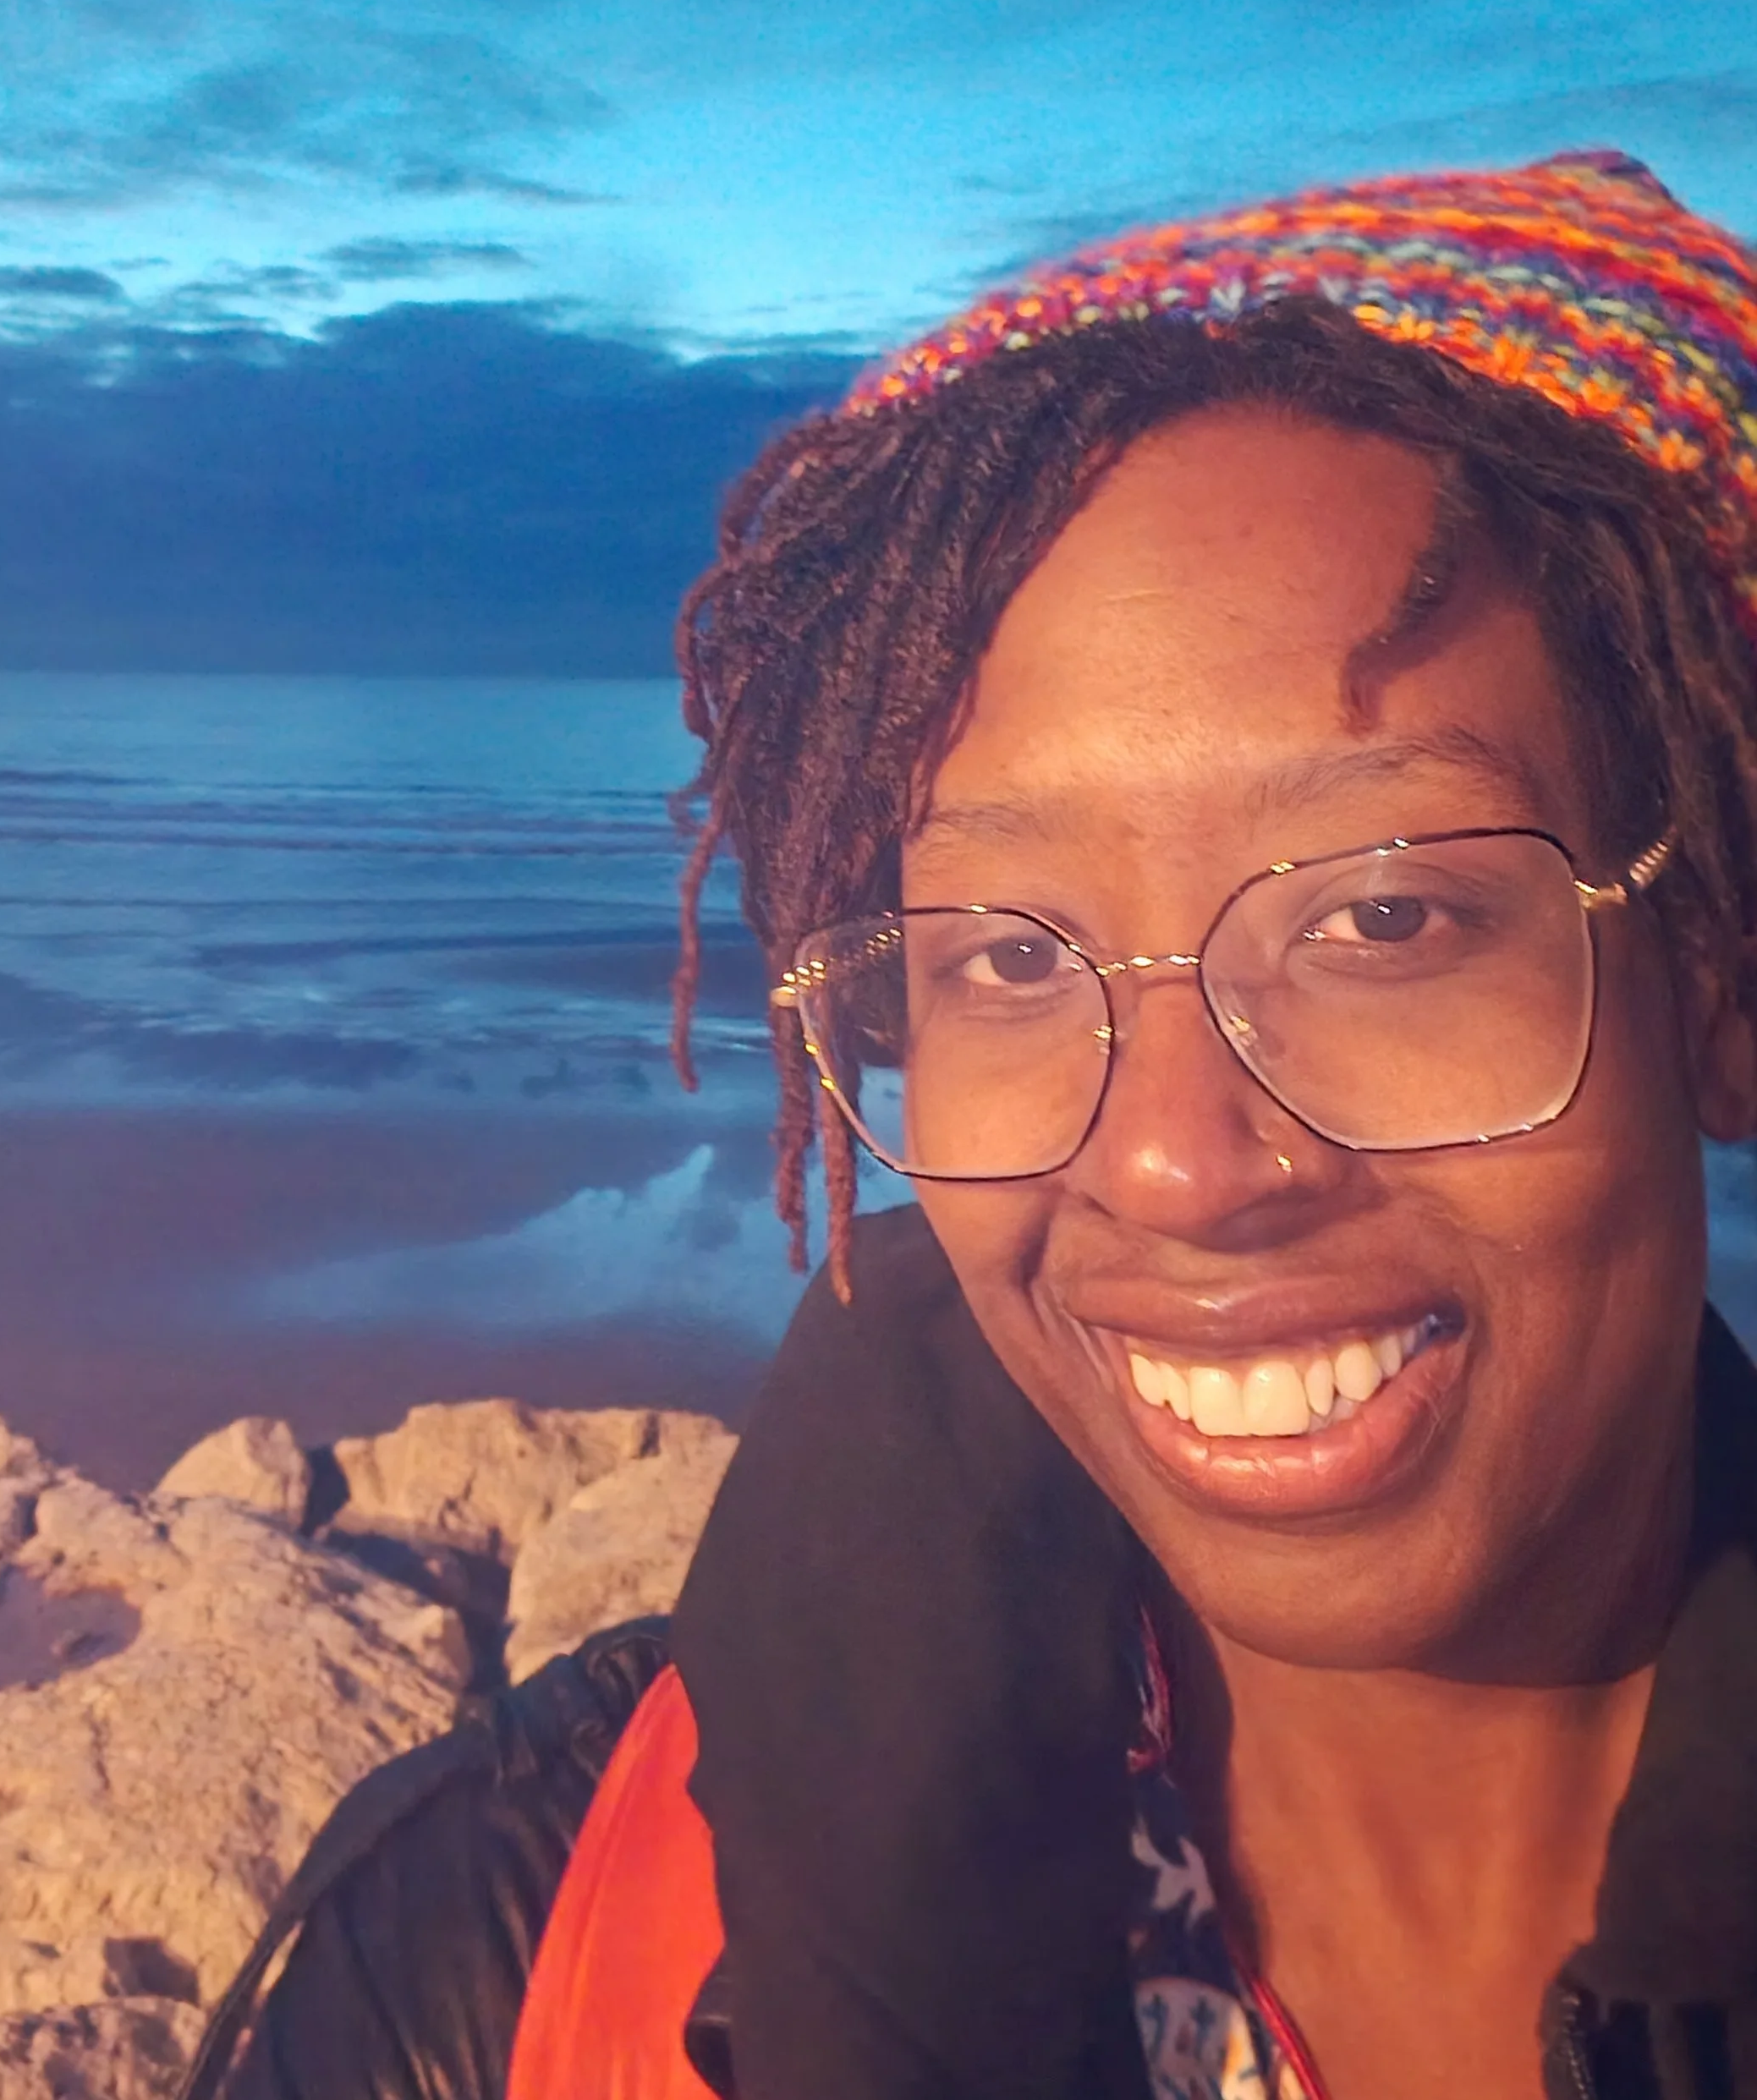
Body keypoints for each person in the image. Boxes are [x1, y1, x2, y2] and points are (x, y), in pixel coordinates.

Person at [184, 148, 1757, 2100]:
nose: (1174, 1162)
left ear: (1711, 983)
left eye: (1379, 917)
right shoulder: (520, 1940)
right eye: (1007, 955)